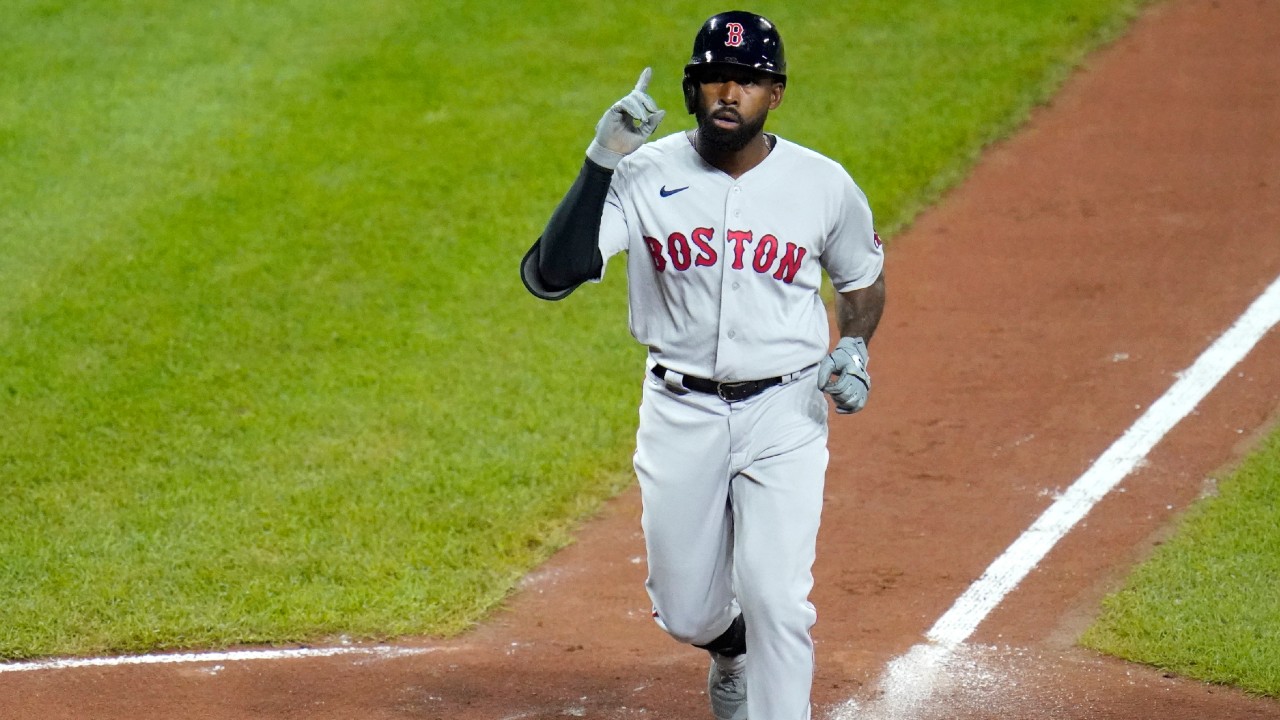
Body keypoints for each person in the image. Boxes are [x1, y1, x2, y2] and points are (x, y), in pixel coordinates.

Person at [520, 11, 885, 720]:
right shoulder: (642, 174)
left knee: (780, 596)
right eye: (715, 77)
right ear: (691, 89)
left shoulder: (822, 183)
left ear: (775, 93)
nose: (729, 92)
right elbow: (551, 275)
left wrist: (855, 343)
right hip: (679, 410)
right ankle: (729, 647)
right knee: (686, 611)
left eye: (747, 80)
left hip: (786, 412)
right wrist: (602, 160)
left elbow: (862, 280)